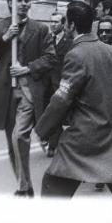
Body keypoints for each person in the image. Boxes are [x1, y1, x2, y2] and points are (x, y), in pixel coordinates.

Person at [35, 1, 112, 198]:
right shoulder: (108, 50)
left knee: (52, 188)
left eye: (66, 23)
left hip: (84, 138)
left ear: (72, 25)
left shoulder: (76, 54)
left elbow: (62, 99)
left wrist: (43, 129)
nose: (66, 27)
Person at [0, 0, 56, 197]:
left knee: (20, 136)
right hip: (5, 92)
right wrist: (5, 38)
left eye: (27, 0)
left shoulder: (41, 28)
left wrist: (27, 69)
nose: (24, 3)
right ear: (10, 3)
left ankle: (23, 187)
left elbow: (50, 58)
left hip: (29, 90)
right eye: (19, 0)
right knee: (11, 143)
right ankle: (25, 186)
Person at [43, 11, 74, 158]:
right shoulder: (46, 39)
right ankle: (53, 142)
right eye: (51, 21)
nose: (53, 24)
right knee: (50, 113)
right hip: (47, 84)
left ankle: (57, 143)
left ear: (63, 24)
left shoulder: (70, 41)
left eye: (56, 22)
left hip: (63, 83)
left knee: (63, 115)